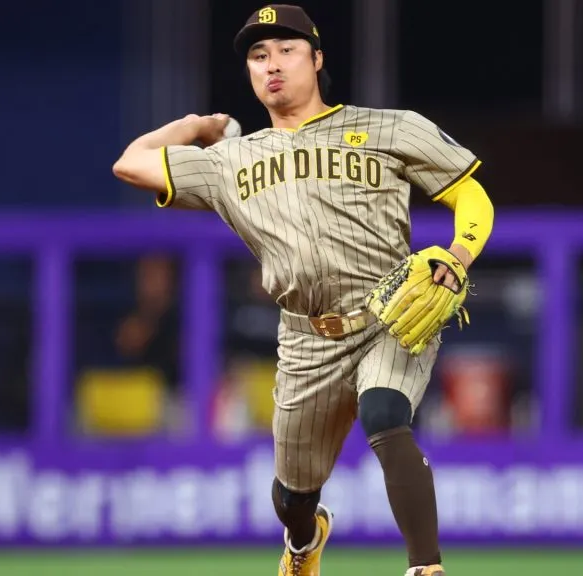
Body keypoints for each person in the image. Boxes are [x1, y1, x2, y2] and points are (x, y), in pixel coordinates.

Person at [112, 5, 495, 575]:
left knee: (384, 411)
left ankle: (426, 567)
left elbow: (472, 195)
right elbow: (130, 163)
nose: (272, 65)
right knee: (293, 496)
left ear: (317, 60)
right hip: (305, 337)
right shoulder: (228, 162)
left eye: (287, 50)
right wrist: (195, 125)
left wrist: (459, 256)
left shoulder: (391, 127)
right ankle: (303, 541)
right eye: (258, 55)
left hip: (391, 312)